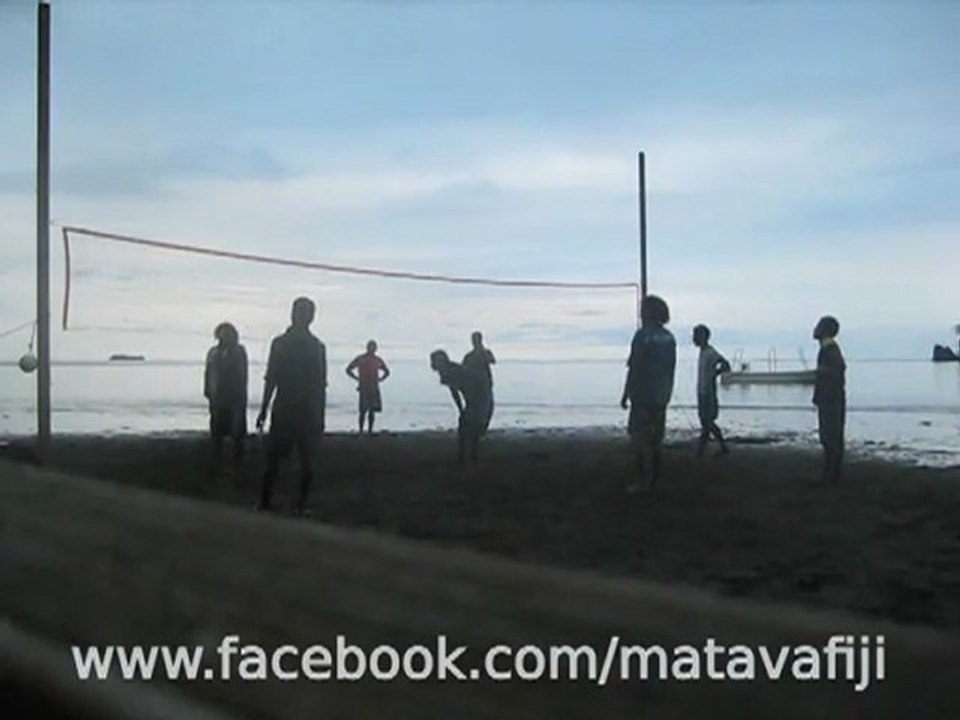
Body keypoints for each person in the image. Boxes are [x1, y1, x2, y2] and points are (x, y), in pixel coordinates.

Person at [255, 297, 327, 514]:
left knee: (278, 460)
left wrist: (264, 409)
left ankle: (268, 503)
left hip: (287, 406)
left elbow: (272, 378)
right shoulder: (315, 346)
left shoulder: (282, 343)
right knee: (301, 461)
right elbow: (319, 385)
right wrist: (319, 414)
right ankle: (297, 505)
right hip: (302, 408)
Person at [620, 295, 676, 491]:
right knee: (656, 441)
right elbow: (670, 368)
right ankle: (655, 481)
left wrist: (626, 393)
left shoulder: (642, 336)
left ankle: (643, 482)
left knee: (640, 440)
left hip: (643, 395)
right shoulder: (669, 338)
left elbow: (635, 367)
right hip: (661, 395)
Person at [430, 349, 491, 464]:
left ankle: (469, 457)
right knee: (467, 426)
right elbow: (456, 391)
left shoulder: (449, 371)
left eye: (435, 361)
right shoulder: (447, 370)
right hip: (476, 393)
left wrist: (464, 408)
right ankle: (467, 456)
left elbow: (457, 391)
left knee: (468, 426)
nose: (433, 363)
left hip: (478, 392)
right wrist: (462, 409)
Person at [203, 322, 248, 464]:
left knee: (236, 431)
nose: (224, 339)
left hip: (234, 396)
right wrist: (207, 390)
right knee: (217, 429)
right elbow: (208, 373)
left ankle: (237, 458)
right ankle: (217, 456)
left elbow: (243, 374)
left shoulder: (239, 352)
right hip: (218, 396)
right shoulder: (213, 352)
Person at [813, 315, 846, 483]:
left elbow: (834, 372)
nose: (814, 329)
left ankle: (832, 474)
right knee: (829, 436)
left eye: (818, 326)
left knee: (831, 436)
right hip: (830, 399)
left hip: (831, 400)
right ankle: (831, 473)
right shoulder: (828, 349)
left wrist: (820, 374)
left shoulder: (830, 350)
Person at [693, 324, 731, 457]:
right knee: (706, 422)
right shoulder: (703, 352)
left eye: (696, 336)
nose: (694, 339)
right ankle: (718, 446)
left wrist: (715, 373)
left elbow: (726, 364)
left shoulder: (710, 352)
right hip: (702, 392)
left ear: (703, 337)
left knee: (707, 422)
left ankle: (703, 449)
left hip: (708, 393)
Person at [346, 340, 390, 434]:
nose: (373, 349)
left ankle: (369, 430)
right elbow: (348, 369)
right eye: (371, 347)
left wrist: (380, 379)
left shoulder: (376, 360)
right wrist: (357, 378)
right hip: (365, 386)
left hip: (372, 386)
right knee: (363, 410)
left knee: (371, 411)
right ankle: (362, 430)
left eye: (374, 347)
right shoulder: (362, 359)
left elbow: (387, 372)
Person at [462, 331, 496, 431]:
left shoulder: (485, 352)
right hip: (476, 386)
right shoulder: (469, 356)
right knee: (479, 407)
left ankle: (483, 428)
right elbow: (464, 368)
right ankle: (478, 428)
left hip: (486, 384)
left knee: (488, 407)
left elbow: (493, 360)